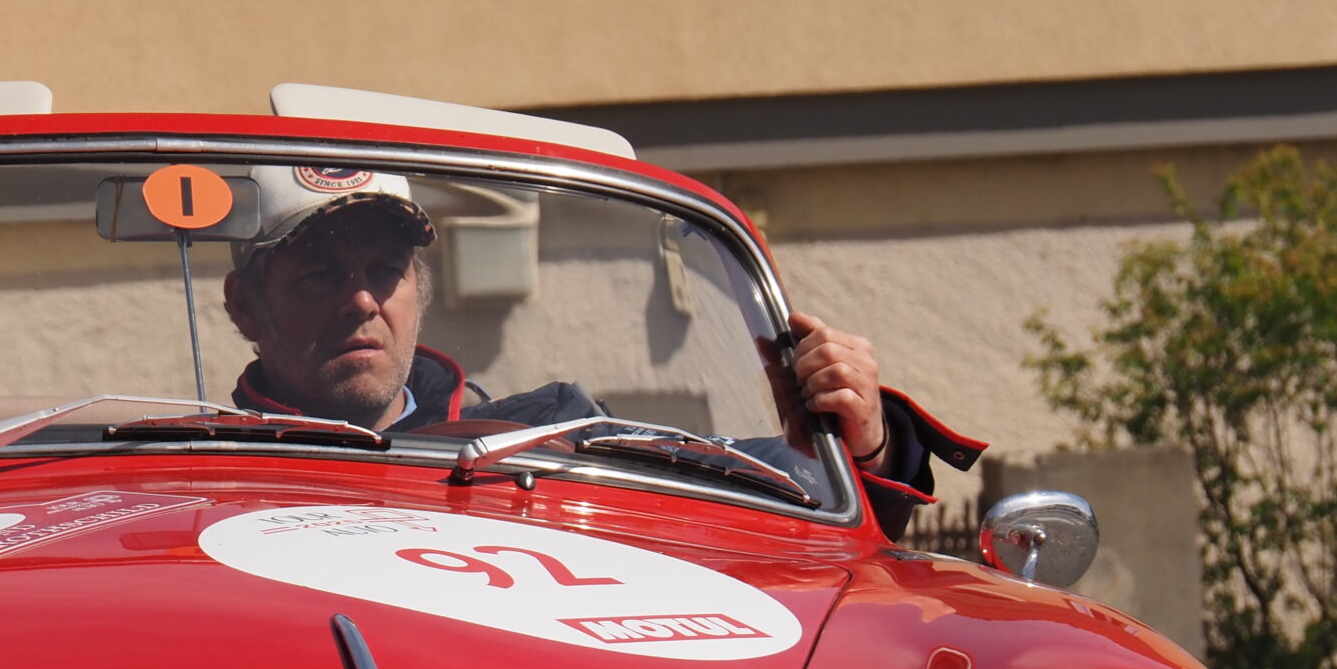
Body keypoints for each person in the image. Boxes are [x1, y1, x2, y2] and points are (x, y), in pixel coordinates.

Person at [220, 164, 980, 537]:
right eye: (320, 274)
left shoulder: (549, 435)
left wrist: (859, 442)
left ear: (419, 290)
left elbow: (772, 512)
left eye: (385, 271)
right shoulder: (201, 479)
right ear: (246, 307)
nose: (362, 301)